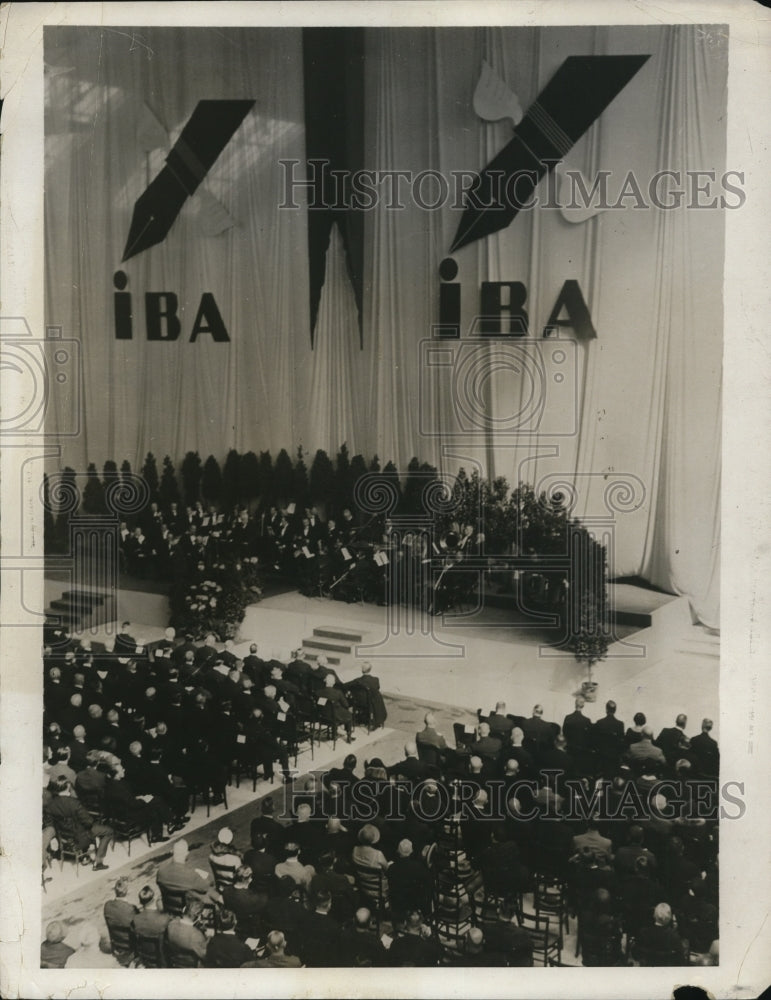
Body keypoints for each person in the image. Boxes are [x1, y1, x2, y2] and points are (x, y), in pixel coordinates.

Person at [45, 774, 114, 870]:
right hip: (80, 838)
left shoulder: (50, 804)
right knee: (109, 831)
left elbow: (50, 823)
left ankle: (84, 856)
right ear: (68, 786)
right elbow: (88, 822)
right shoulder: (74, 803)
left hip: (64, 838)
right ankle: (98, 862)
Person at [157, 839, 222, 904]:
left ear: (173, 852)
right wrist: (203, 876)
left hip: (169, 904)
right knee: (211, 891)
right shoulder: (191, 874)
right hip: (187, 906)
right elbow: (205, 887)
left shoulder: (161, 871)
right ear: (187, 853)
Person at [166, 898, 209, 963]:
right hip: (191, 966)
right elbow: (205, 956)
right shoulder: (196, 935)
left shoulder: (171, 924)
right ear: (198, 915)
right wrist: (208, 939)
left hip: (175, 961)